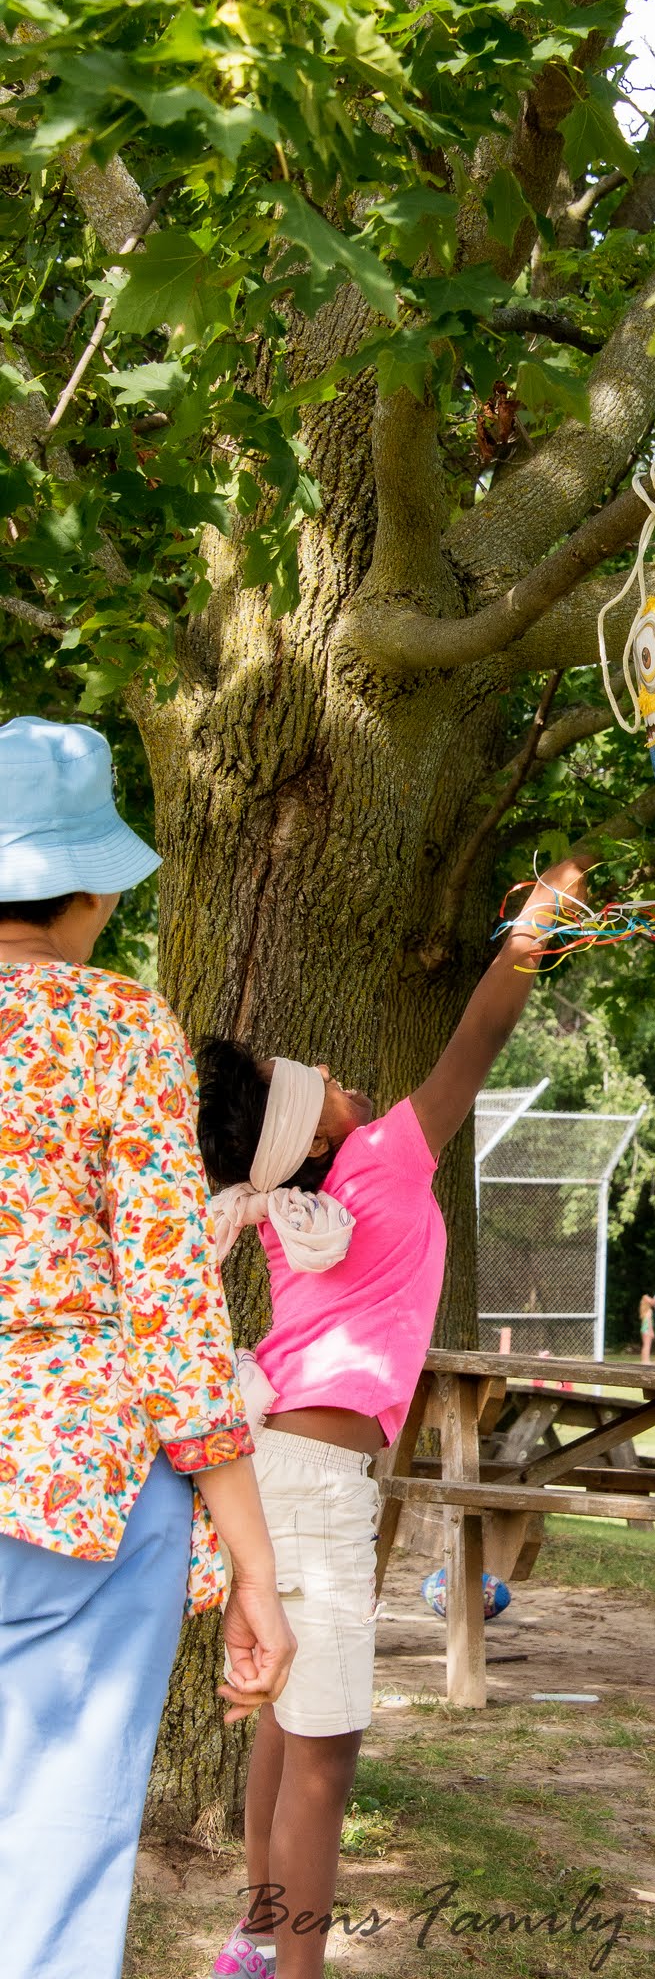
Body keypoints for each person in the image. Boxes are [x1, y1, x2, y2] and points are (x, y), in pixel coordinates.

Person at [196, 856, 586, 1979]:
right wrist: (537, 924)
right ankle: (290, 1969)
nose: (329, 1070)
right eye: (307, 1080)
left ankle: (254, 1943)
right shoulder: (378, 1156)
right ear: (314, 1133)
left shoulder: (285, 1207)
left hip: (268, 1468)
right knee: (325, 1754)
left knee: (285, 1717)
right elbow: (478, 1038)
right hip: (315, 1485)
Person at [0, 717, 296, 1979]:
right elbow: (174, 1305)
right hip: (80, 1478)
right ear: (95, 885)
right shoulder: (115, 1022)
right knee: (52, 1854)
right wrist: (255, 1566)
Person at [639, 1293, 655, 1363]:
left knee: (645, 1345)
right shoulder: (649, 1311)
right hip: (647, 1329)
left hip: (643, 1329)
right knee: (648, 1345)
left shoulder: (643, 1311)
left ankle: (643, 1360)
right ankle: (647, 1360)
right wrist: (651, 1331)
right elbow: (649, 1322)